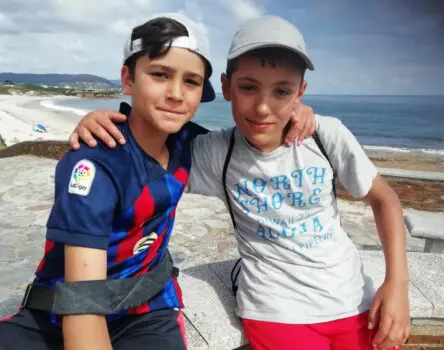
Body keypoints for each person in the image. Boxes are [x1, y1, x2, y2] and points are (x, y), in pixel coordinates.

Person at [68, 15, 410, 350]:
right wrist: (98, 121)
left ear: (300, 92)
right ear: (228, 87)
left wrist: (397, 284)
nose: (262, 107)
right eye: (248, 88)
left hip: (356, 299)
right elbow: (150, 140)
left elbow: (385, 200)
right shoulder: (216, 153)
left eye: (281, 91)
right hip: (275, 310)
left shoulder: (325, 134)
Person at [0, 14, 314, 350]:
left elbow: (253, 140)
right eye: (160, 74)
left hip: (146, 309)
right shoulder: (96, 165)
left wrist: (296, 112)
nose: (177, 94)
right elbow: (82, 301)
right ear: (128, 78)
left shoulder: (187, 145)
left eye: (191, 82)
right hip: (57, 314)